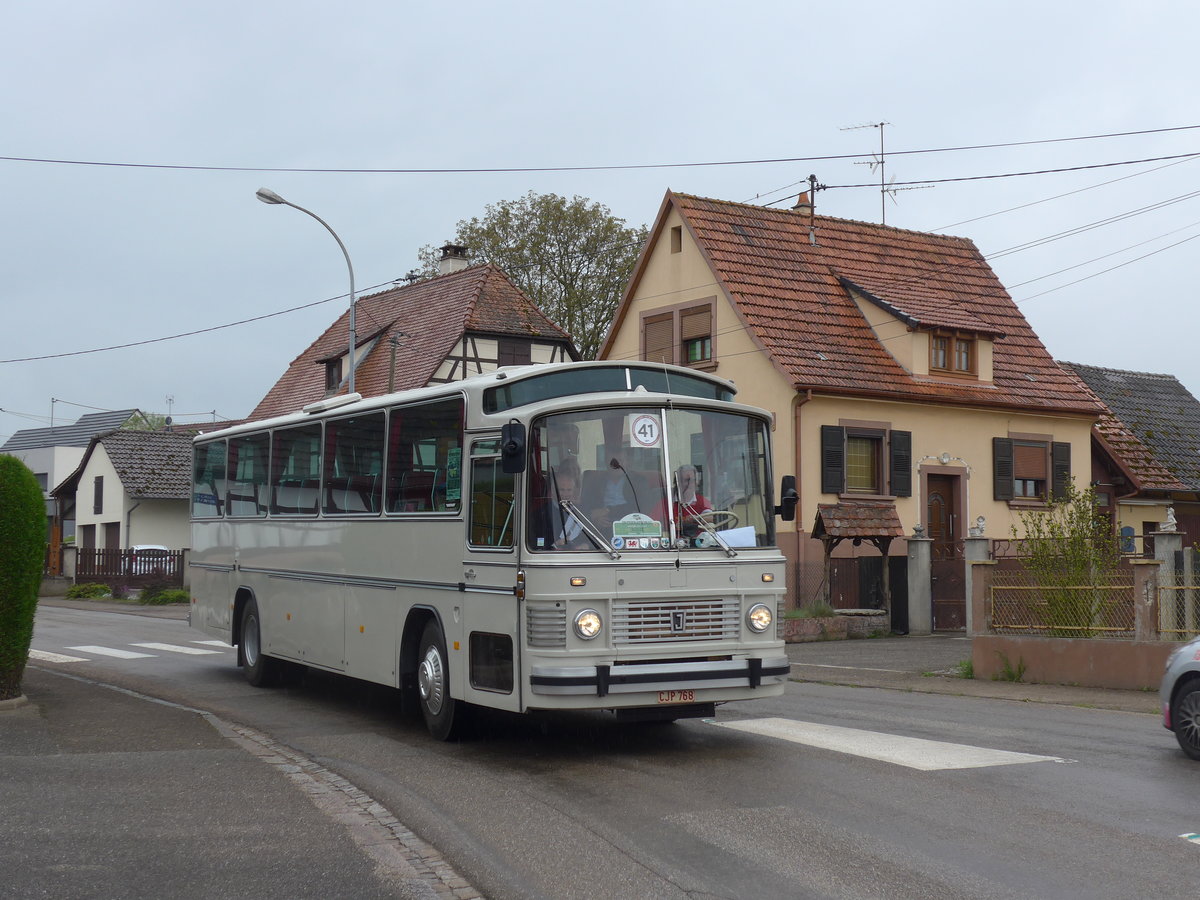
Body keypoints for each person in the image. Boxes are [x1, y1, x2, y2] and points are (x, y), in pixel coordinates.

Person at [669, 464, 712, 535]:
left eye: (692, 480)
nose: (689, 484)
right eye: (686, 480)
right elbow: (656, 523)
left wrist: (696, 519)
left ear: (696, 483)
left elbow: (710, 517)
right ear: (677, 483)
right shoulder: (667, 502)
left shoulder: (702, 501)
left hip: (697, 543)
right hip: (673, 543)